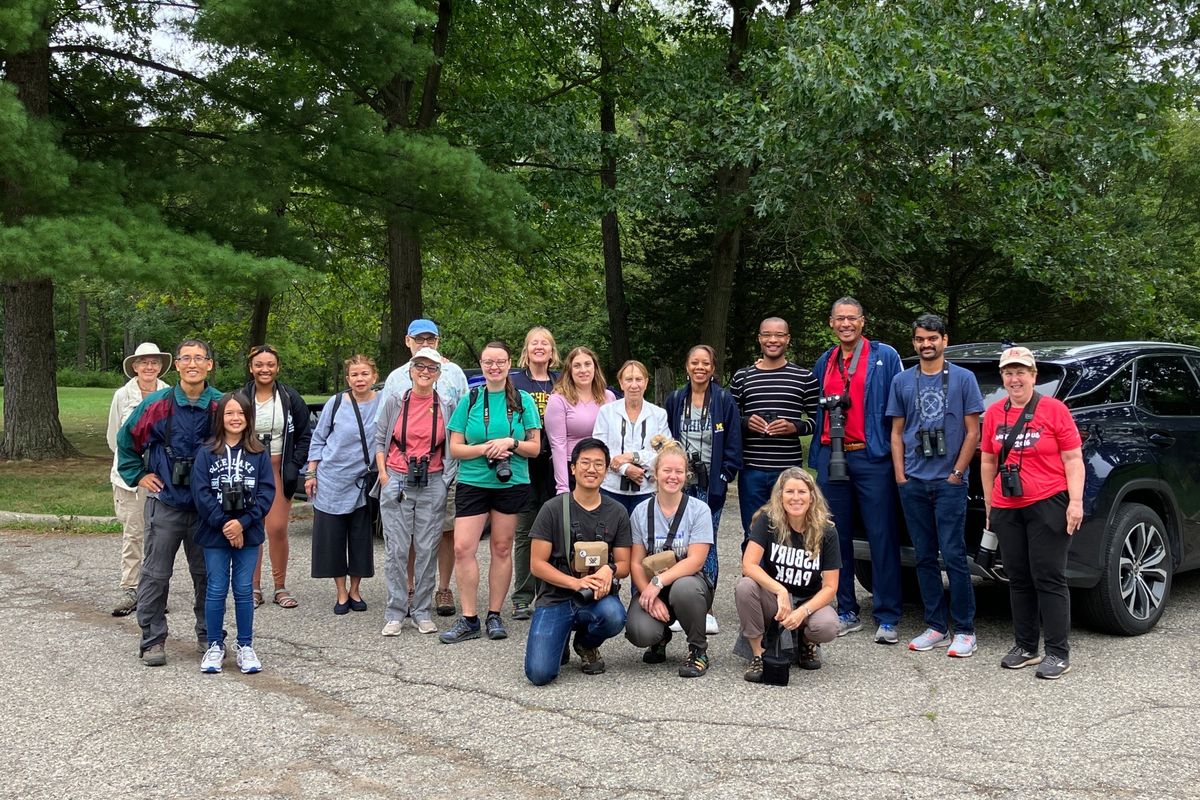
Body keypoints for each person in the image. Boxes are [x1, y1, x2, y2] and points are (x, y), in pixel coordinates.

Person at [116, 338, 222, 667]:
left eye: (199, 358)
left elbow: (241, 446)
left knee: (207, 575)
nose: (192, 364)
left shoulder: (222, 405)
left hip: (207, 509)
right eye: (186, 358)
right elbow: (126, 440)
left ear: (209, 365)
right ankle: (152, 639)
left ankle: (209, 635)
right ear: (176, 365)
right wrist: (138, 475)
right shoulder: (158, 404)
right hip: (166, 503)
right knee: (156, 575)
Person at [980, 346, 1084, 680]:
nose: (1014, 379)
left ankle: (1057, 652)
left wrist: (1076, 502)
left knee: (1048, 576)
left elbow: (1073, 458)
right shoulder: (995, 413)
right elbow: (987, 461)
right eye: (1008, 373)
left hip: (1048, 501)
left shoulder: (1054, 410)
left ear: (1033, 376)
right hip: (1007, 506)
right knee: (1018, 577)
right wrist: (989, 503)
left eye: (1021, 372)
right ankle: (1026, 646)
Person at [887, 314, 984, 657]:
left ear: (945, 340)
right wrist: (900, 476)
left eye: (932, 338)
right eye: (919, 339)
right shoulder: (901, 380)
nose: (926, 344)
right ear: (913, 342)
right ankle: (935, 626)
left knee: (954, 555)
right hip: (913, 481)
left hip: (949, 482)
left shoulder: (963, 379)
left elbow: (974, 431)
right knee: (924, 557)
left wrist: (957, 472)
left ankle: (965, 630)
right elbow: (896, 433)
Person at [810, 297, 904, 644]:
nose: (846, 324)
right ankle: (847, 609)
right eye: (840, 319)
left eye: (852, 318)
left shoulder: (885, 356)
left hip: (871, 455)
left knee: (882, 535)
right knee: (836, 537)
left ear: (862, 322)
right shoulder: (827, 360)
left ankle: (888, 615)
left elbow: (898, 408)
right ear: (831, 323)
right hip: (833, 456)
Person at [440, 341, 543, 644]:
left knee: (501, 547)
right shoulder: (470, 399)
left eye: (500, 362)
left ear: (509, 363)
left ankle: (494, 614)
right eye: (488, 362)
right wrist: (485, 448)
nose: (494, 367)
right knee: (462, 548)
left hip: (511, 482)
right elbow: (455, 448)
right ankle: (469, 618)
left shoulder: (523, 400)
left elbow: (535, 448)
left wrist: (510, 444)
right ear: (482, 365)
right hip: (473, 481)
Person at [524, 438, 632, 685]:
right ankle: (558, 640)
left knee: (614, 616)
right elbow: (537, 564)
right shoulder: (552, 509)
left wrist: (610, 569)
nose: (591, 469)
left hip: (595, 599)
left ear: (606, 471)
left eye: (598, 464)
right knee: (539, 675)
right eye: (585, 462)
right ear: (573, 468)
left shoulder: (617, 512)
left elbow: (625, 563)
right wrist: (574, 583)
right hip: (555, 597)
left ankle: (585, 643)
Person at [382, 319, 470, 618]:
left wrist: (451, 467)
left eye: (430, 339)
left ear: (438, 341)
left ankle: (442, 588)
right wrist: (384, 473)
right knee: (405, 534)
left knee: (443, 531)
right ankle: (409, 587)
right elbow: (383, 429)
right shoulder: (395, 378)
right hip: (401, 469)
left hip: (441, 468)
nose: (425, 344)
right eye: (419, 339)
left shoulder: (454, 373)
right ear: (408, 341)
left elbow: (462, 419)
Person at [373, 347, 457, 636]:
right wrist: (384, 475)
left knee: (427, 547)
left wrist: (446, 479)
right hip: (396, 477)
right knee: (396, 548)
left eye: (431, 368)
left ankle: (421, 610)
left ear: (438, 373)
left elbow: (453, 444)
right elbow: (380, 438)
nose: (425, 372)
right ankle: (396, 611)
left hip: (432, 479)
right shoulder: (396, 401)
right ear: (410, 370)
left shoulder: (446, 403)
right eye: (419, 366)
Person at [192, 393, 275, 675]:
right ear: (220, 418)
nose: (235, 418)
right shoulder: (206, 452)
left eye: (241, 413)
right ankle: (214, 645)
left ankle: (245, 646)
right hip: (215, 533)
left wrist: (243, 523)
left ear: (249, 417)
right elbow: (201, 493)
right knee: (216, 589)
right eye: (229, 413)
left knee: (243, 589)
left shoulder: (258, 452)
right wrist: (225, 524)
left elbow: (266, 493)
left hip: (248, 532)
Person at [735, 468, 840, 682]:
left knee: (828, 626)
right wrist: (780, 590)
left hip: (807, 600)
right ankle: (758, 654)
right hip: (774, 599)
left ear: (812, 496)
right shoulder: (768, 520)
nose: (796, 498)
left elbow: (830, 586)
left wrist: (802, 611)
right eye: (789, 491)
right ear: (780, 496)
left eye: (802, 492)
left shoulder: (827, 531)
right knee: (745, 586)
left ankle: (806, 642)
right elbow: (749, 564)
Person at [664, 344, 742, 634]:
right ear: (686, 366)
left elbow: (734, 443)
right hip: (679, 484)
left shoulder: (723, 400)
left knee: (705, 546)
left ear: (713, 368)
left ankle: (705, 607)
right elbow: (668, 438)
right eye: (694, 362)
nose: (700, 368)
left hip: (711, 486)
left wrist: (724, 476)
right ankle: (677, 604)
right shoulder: (675, 399)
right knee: (678, 543)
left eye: (705, 363)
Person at [625, 441, 715, 677]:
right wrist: (648, 594)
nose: (672, 477)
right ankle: (660, 637)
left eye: (679, 472)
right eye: (667, 471)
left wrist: (658, 583)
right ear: (655, 474)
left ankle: (698, 650)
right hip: (654, 587)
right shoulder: (641, 512)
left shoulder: (699, 510)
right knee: (638, 631)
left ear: (687, 476)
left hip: (690, 585)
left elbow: (696, 560)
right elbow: (636, 562)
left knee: (683, 589)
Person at [729, 318, 818, 548]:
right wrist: (746, 422)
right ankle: (753, 582)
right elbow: (727, 419)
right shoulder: (742, 377)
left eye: (779, 335)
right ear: (759, 339)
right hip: (752, 469)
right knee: (753, 533)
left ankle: (786, 585)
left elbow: (819, 421)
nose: (773, 340)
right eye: (767, 335)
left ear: (788, 339)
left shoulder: (804, 378)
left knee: (791, 532)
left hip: (788, 470)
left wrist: (795, 427)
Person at [305, 354, 381, 615]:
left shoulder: (384, 403)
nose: (360, 379)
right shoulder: (336, 403)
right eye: (354, 375)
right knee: (333, 539)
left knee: (360, 539)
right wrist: (311, 474)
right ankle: (340, 591)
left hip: (363, 482)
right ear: (348, 379)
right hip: (332, 479)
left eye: (364, 374)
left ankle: (355, 590)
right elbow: (318, 439)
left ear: (374, 377)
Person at [239, 344, 312, 610]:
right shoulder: (240, 398)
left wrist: (294, 464)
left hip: (280, 468)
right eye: (259, 364)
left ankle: (280, 586)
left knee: (277, 527)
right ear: (251, 368)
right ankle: (253, 587)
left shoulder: (290, 398)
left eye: (270, 364)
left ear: (277, 367)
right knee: (251, 527)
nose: (264, 369)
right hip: (248, 467)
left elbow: (305, 435)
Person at [106, 342, 171, 616]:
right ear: (134, 366)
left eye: (153, 362)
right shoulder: (123, 395)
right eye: (143, 362)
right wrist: (136, 469)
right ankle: (131, 588)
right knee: (134, 533)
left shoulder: (168, 393)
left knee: (160, 534)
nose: (149, 367)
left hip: (160, 477)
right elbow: (114, 439)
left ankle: (154, 592)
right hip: (130, 478)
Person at [509, 327, 561, 620]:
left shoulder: (561, 382)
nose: (539, 347)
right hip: (523, 465)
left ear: (552, 352)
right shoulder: (514, 381)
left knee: (554, 530)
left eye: (545, 343)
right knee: (526, 532)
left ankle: (550, 591)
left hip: (556, 466)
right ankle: (522, 596)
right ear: (526, 351)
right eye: (534, 343)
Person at [592, 360, 669, 514]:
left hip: (646, 490)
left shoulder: (659, 414)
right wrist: (625, 468)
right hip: (611, 489)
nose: (634, 385)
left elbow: (664, 454)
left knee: (642, 536)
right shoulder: (606, 412)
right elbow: (599, 449)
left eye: (639, 379)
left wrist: (632, 457)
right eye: (629, 379)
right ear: (621, 383)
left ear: (646, 383)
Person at [544, 346, 615, 494]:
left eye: (587, 364)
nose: (583, 370)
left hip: (602, 469)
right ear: (569, 370)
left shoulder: (609, 397)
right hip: (572, 469)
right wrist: (562, 487)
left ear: (595, 367)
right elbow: (558, 445)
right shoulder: (558, 400)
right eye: (577, 366)